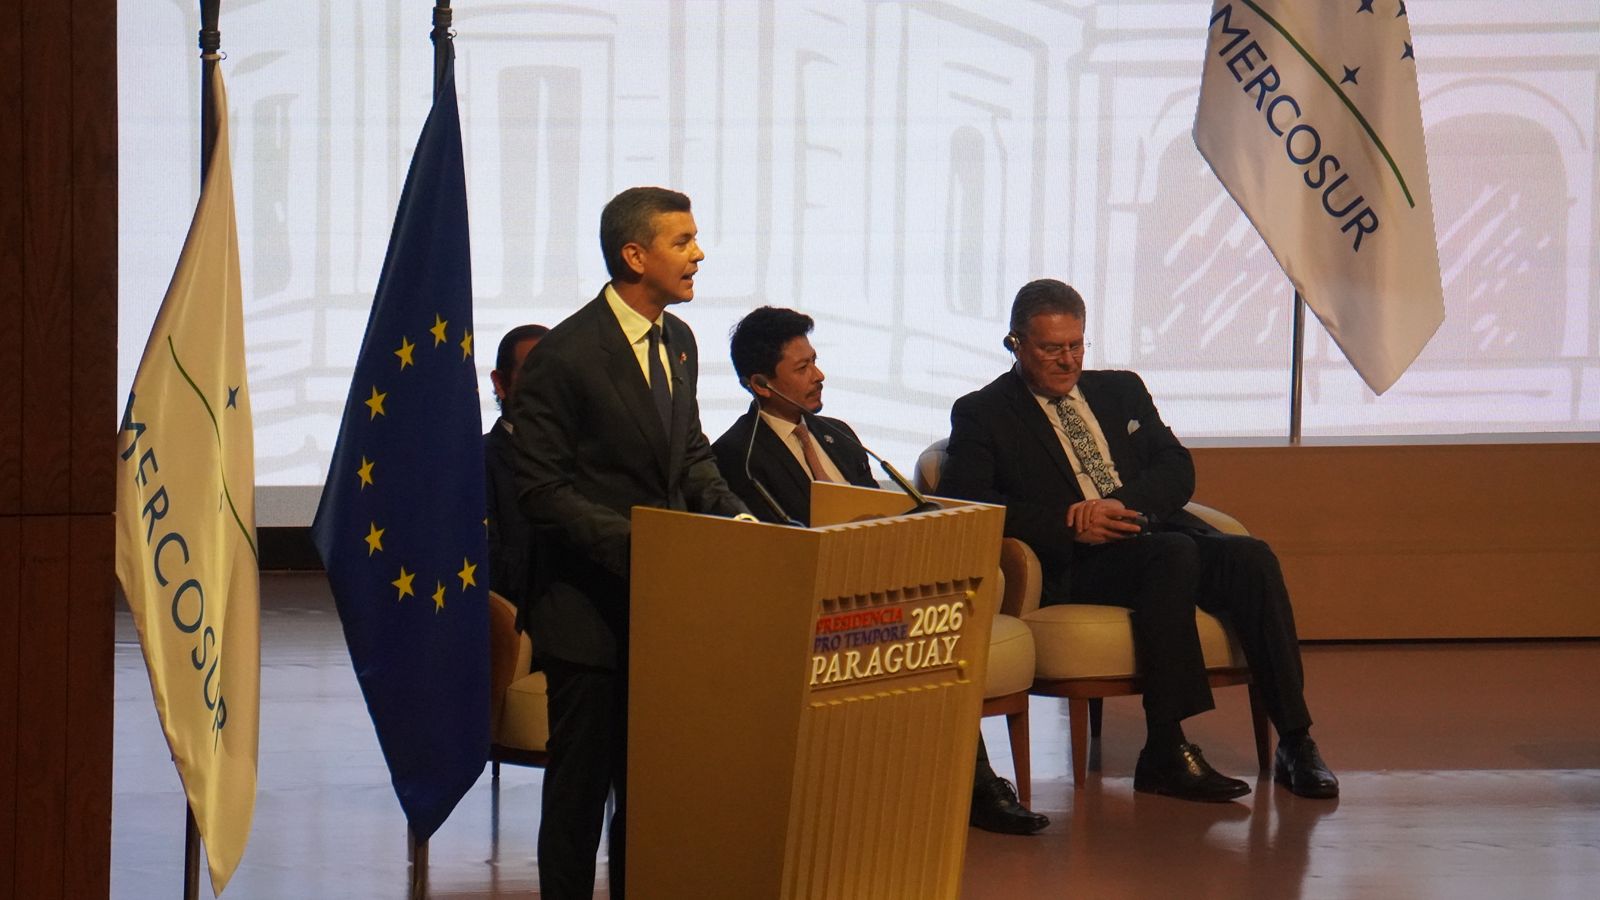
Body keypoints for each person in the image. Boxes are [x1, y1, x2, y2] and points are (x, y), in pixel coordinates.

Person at [938, 278, 1338, 803]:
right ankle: (1166, 747)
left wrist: (1121, 504)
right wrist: (1070, 522)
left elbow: (1176, 467)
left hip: (1153, 535)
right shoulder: (983, 411)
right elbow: (966, 500)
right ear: (1015, 343)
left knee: (1251, 557)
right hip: (1079, 559)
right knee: (1171, 554)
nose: (1067, 360)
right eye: (1051, 349)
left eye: (1076, 345)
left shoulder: (1120, 389)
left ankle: (1296, 740)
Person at [711, 306, 1051, 835]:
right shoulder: (738, 455)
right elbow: (775, 548)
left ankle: (968, 786)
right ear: (760, 384)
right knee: (921, 635)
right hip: (813, 613)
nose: (819, 375)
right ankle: (968, 788)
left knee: (939, 628)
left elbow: (881, 511)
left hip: (877, 591)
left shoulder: (838, 436)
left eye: (815, 360)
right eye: (802, 368)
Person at [507, 187, 754, 899]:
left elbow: (691, 454)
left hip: (663, 611)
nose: (699, 254)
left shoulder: (680, 340)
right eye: (683, 241)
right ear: (635, 255)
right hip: (587, 615)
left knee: (648, 790)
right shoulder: (564, 355)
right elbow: (542, 491)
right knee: (580, 796)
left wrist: (737, 521)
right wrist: (648, 546)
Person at [485, 323, 547, 628]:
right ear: (501, 383)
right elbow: (488, 565)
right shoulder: (477, 463)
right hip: (517, 629)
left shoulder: (589, 458)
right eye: (534, 371)